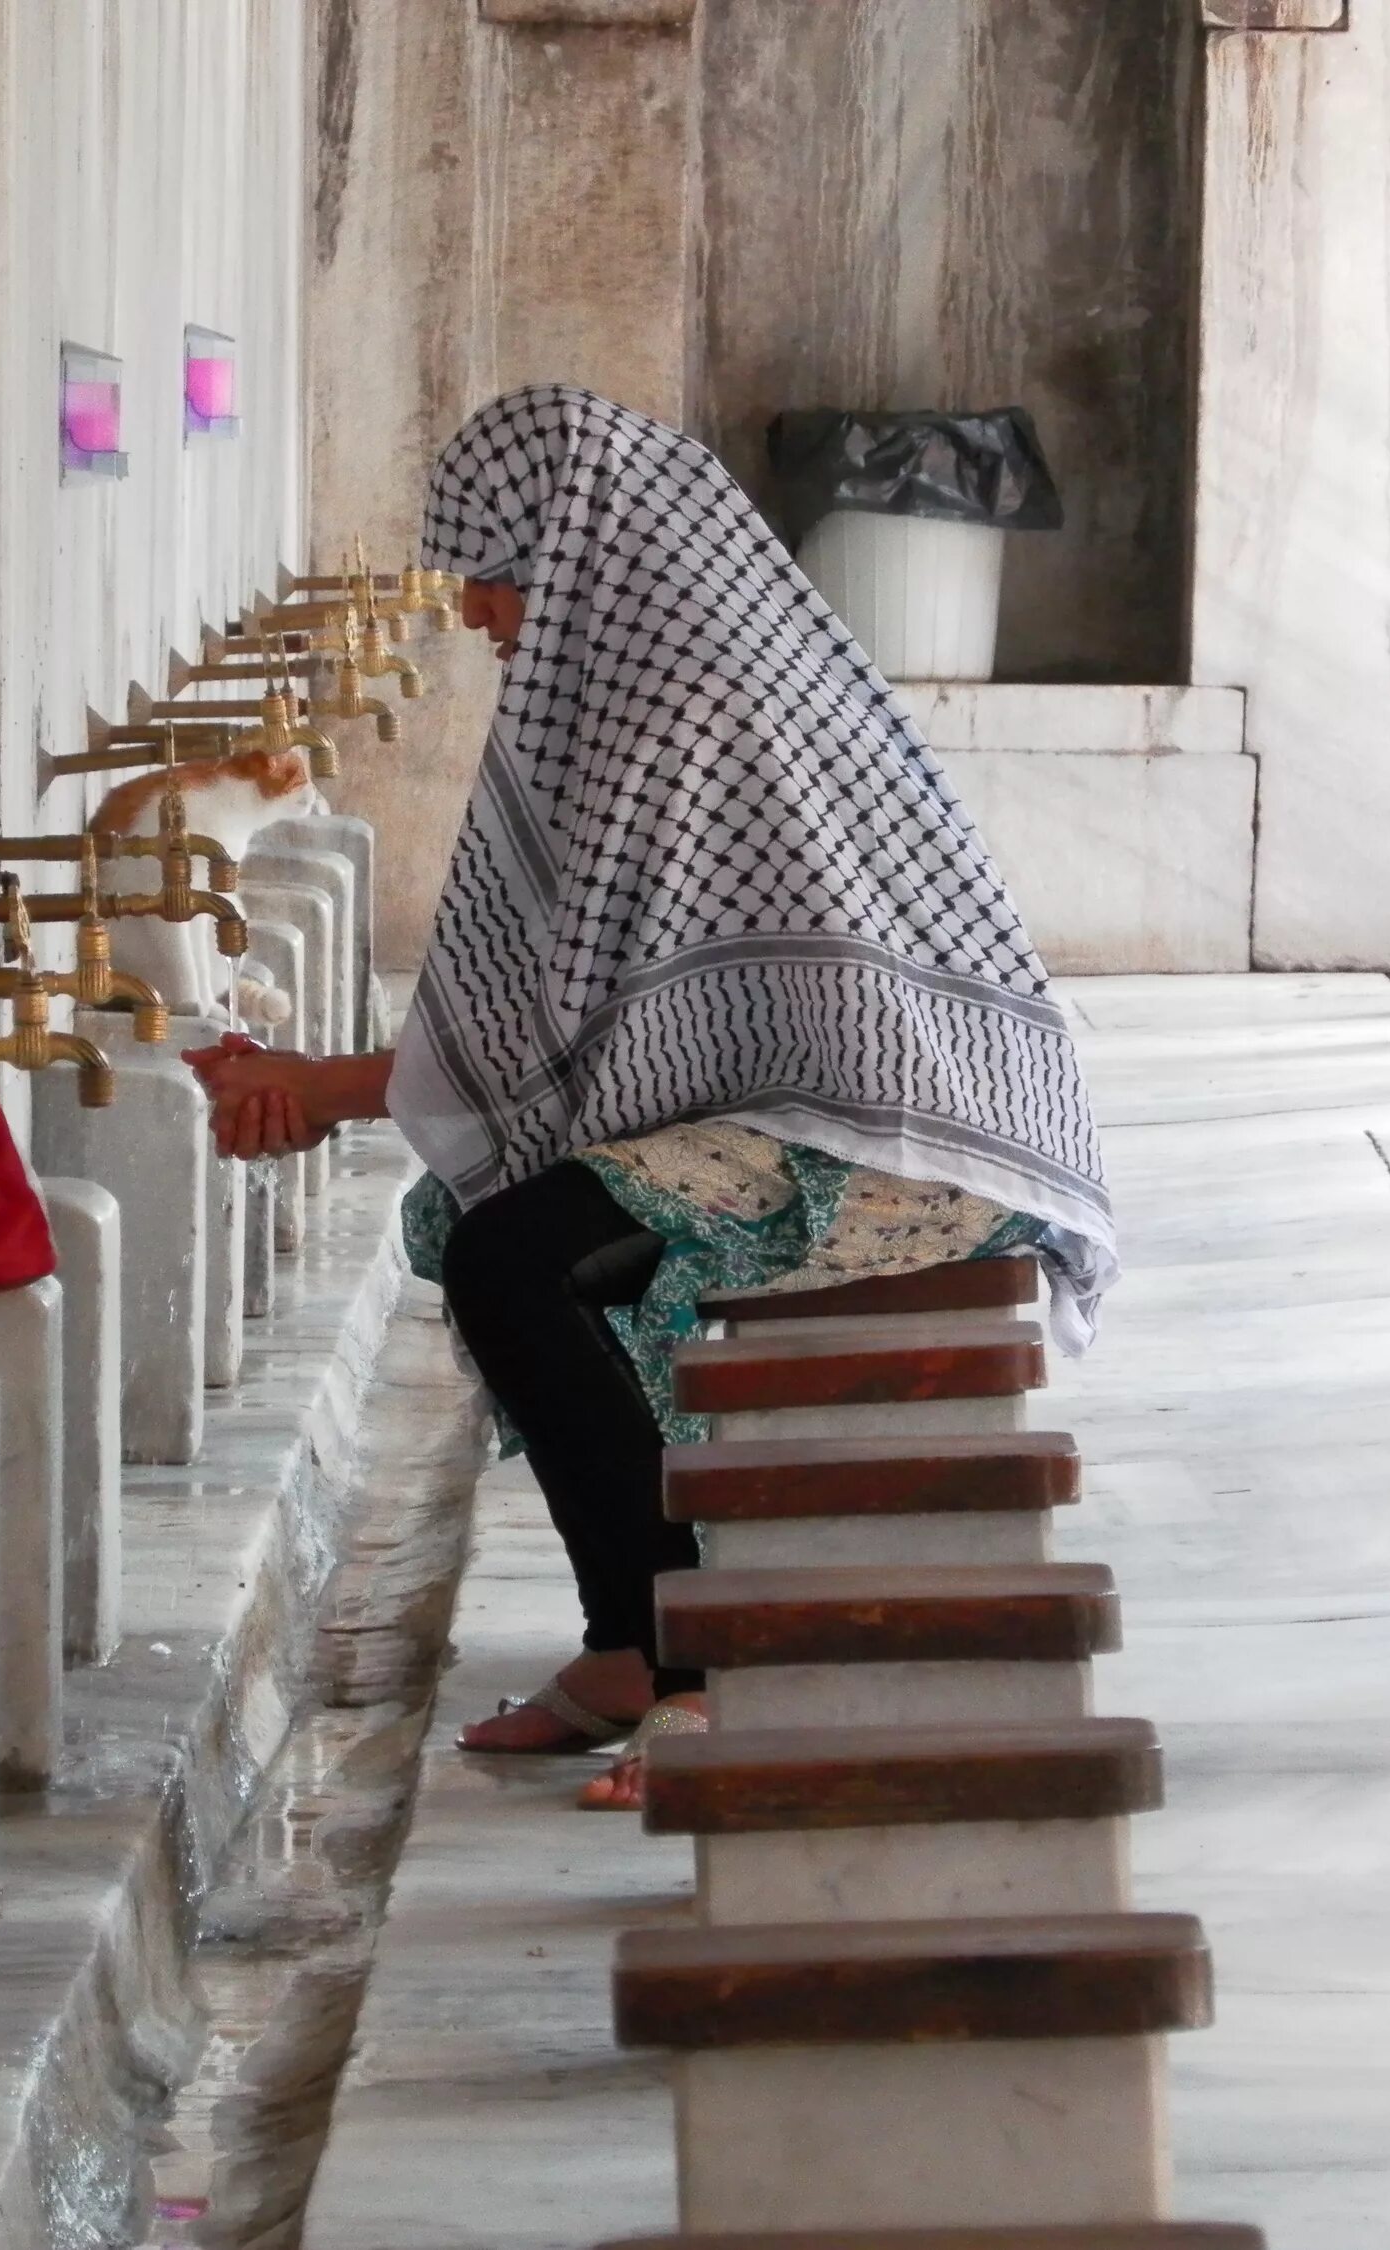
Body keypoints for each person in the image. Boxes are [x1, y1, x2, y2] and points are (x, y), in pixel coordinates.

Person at [185, 385, 1115, 1809]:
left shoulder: (684, 704)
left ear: (563, 554)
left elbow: (612, 1034)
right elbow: (580, 1024)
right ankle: (634, 1639)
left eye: (486, 575)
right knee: (494, 1235)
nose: (479, 615)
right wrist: (325, 1087)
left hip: (899, 1141)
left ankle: (691, 1662)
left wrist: (320, 1088)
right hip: (836, 1102)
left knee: (518, 1251)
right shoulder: (664, 665)